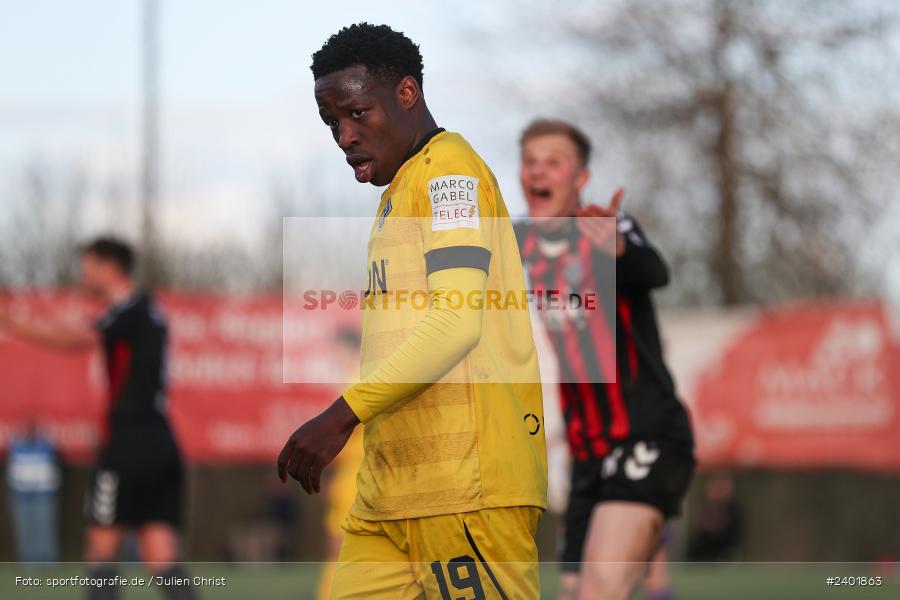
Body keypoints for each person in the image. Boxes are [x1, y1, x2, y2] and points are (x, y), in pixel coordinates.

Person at [277, 23, 548, 599]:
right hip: (389, 497)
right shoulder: (398, 192)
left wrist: (340, 415)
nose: (345, 136)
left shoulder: (450, 172)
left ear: (406, 94)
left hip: (466, 493)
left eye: (356, 113)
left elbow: (455, 322)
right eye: (333, 123)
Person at [514, 119, 695, 600]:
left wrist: (614, 246)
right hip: (585, 452)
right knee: (574, 593)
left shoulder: (604, 225)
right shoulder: (519, 245)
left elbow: (654, 270)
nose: (538, 170)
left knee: (599, 589)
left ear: (580, 178)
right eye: (530, 160)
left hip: (646, 435)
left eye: (553, 161)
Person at [0, 237, 196, 600]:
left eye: (87, 266)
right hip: (161, 441)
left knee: (101, 551)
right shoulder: (148, 310)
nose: (82, 275)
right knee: (160, 554)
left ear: (109, 268)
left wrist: (9, 320)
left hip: (128, 443)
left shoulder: (128, 310)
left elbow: (75, 337)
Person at [6, 418, 61, 564]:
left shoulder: (45, 446)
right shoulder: (17, 446)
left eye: (32, 429)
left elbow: (53, 454)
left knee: (44, 528)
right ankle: (28, 562)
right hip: (21, 495)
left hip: (43, 494)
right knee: (24, 530)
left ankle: (47, 561)